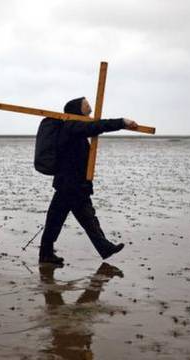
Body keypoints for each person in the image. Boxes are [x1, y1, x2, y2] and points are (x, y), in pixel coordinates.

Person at [39, 97, 138, 264]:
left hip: (73, 185)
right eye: (87, 106)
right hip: (70, 185)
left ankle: (48, 253)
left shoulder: (73, 126)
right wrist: (122, 122)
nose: (91, 109)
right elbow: (97, 126)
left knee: (76, 218)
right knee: (65, 220)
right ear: (77, 109)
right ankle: (47, 254)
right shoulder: (72, 126)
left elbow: (93, 126)